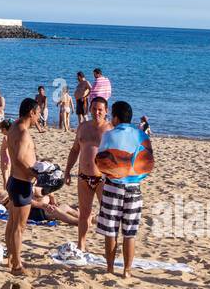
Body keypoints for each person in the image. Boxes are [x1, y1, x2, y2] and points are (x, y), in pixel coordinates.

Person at [95, 101, 154, 279]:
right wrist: (134, 175)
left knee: (111, 230)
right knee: (130, 232)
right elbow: (149, 164)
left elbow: (100, 161)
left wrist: (115, 172)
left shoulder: (109, 135)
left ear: (116, 117)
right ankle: (127, 271)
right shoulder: (142, 135)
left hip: (113, 186)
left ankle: (110, 268)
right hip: (134, 188)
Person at [64, 96, 109, 250]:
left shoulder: (110, 130)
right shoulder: (82, 127)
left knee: (108, 214)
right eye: (94, 108)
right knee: (84, 214)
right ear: (90, 109)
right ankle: (81, 245)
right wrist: (67, 171)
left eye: (100, 110)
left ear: (106, 111)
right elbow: (75, 150)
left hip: (103, 179)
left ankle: (109, 248)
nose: (97, 112)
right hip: (83, 177)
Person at [4, 98, 40, 276]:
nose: (39, 117)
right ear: (31, 112)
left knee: (12, 223)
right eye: (38, 113)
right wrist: (34, 173)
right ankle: (17, 265)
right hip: (21, 183)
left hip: (14, 181)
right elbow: (18, 158)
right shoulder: (24, 133)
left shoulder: (14, 126)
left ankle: (11, 258)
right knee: (19, 226)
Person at [0, 119, 12, 186]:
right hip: (8, 158)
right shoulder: (11, 136)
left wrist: (7, 160)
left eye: (1, 130)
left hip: (5, 158)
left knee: (5, 177)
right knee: (8, 174)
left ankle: (6, 189)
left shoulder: (6, 137)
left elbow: (8, 149)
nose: (1, 132)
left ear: (4, 129)